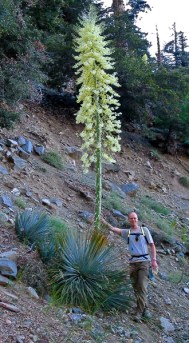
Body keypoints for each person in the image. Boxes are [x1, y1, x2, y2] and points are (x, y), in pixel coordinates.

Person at [102, 211, 158, 322]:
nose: (133, 220)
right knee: (135, 286)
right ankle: (144, 308)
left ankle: (139, 313)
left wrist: (154, 260)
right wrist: (102, 221)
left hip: (144, 262)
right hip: (133, 263)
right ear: (128, 220)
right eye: (131, 218)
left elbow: (152, 245)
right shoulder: (127, 232)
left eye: (135, 218)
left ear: (137, 219)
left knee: (141, 285)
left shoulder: (144, 230)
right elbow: (114, 229)